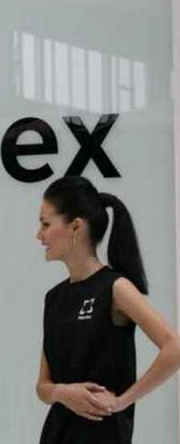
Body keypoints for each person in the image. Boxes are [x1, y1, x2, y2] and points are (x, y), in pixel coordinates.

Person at [35, 176, 180, 443]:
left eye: (45, 224)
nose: (39, 235)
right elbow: (43, 387)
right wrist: (62, 393)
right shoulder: (53, 298)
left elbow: (174, 348)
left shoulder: (115, 288)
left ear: (76, 227)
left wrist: (122, 402)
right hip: (57, 434)